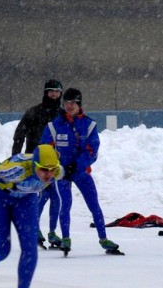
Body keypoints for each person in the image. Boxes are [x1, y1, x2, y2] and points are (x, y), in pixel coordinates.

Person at [0, 144, 62, 288]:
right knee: (2, 250)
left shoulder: (57, 171)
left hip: (26, 199)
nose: (48, 175)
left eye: (51, 170)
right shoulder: (17, 170)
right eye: (43, 170)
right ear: (34, 166)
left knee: (30, 248)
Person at [39, 88, 122, 255]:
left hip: (80, 171)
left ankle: (103, 238)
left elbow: (92, 150)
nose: (69, 106)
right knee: (65, 204)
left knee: (94, 204)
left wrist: (77, 165)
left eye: (73, 103)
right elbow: (45, 149)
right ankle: (66, 238)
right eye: (66, 103)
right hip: (61, 173)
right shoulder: (54, 126)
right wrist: (56, 167)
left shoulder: (89, 125)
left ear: (79, 104)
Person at [11, 79, 63, 248]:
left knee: (55, 196)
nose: (54, 94)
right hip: (36, 162)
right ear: (45, 93)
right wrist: (16, 159)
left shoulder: (63, 114)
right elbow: (19, 135)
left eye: (57, 91)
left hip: (55, 163)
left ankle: (52, 231)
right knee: (38, 195)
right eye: (51, 91)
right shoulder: (34, 112)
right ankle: (34, 228)